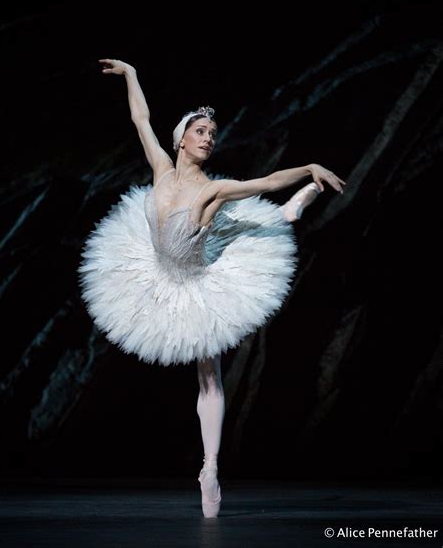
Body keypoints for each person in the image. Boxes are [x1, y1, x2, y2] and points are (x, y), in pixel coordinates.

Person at [78, 59, 346, 518]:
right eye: (201, 131)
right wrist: (132, 74)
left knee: (209, 376)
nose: (208, 138)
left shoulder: (212, 190)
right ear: (181, 138)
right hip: (157, 272)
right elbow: (140, 119)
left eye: (213, 134)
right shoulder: (161, 169)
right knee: (262, 225)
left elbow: (263, 181)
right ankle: (291, 212)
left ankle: (210, 468)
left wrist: (306, 167)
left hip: (200, 281)